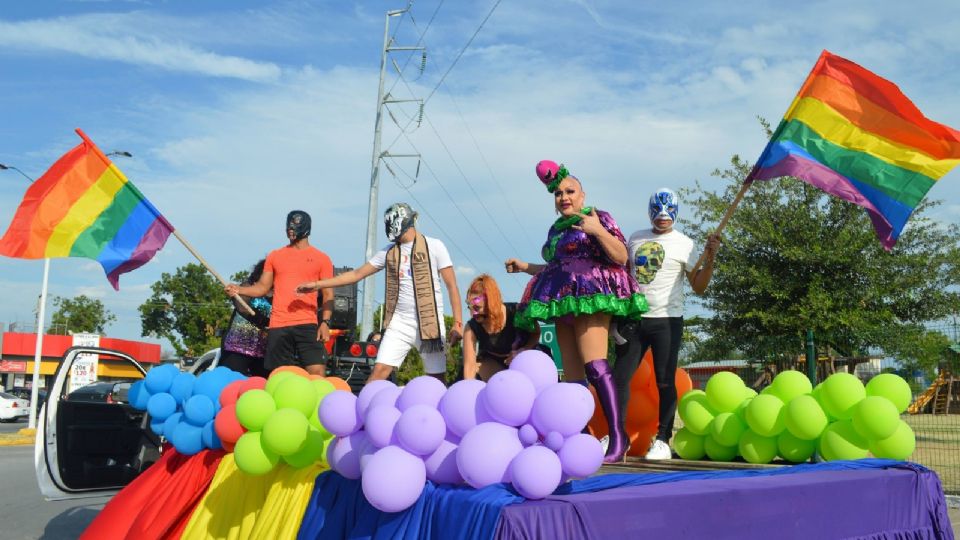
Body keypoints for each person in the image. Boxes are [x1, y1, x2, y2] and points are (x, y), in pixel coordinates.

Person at [505, 160, 647, 463]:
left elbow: (621, 256)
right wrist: (524, 267)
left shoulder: (598, 217)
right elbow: (557, 269)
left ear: (582, 196)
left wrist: (596, 229)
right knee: (572, 379)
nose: (564, 196)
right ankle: (580, 439)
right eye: (558, 193)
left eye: (570, 191)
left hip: (592, 296)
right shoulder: (556, 230)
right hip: (564, 300)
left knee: (595, 366)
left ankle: (618, 438)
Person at [297, 203, 463, 384]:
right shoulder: (389, 252)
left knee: (436, 378)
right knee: (379, 371)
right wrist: (317, 285)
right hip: (399, 322)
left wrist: (458, 323)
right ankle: (362, 410)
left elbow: (452, 286)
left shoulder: (435, 246)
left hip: (429, 322)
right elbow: (356, 274)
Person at [611, 188, 722, 460]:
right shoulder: (635, 238)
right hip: (635, 319)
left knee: (664, 381)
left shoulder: (686, 243)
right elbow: (623, 278)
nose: (662, 217)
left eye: (668, 212)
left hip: (668, 320)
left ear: (675, 212)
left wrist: (711, 258)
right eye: (657, 212)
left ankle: (662, 438)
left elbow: (699, 287)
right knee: (619, 378)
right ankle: (617, 436)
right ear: (650, 211)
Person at [225, 210, 334, 376]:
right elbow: (262, 287)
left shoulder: (322, 258)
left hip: (307, 323)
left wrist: (325, 323)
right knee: (280, 375)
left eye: (294, 225)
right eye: (288, 225)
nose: (289, 229)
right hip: (279, 325)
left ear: (306, 227)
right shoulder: (275, 256)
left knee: (317, 370)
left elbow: (328, 295)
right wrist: (239, 290)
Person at [462, 274, 539, 381]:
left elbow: (536, 333)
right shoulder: (471, 327)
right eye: (469, 307)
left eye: (477, 308)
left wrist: (523, 351)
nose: (473, 313)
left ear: (491, 302)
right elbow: (469, 366)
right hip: (494, 363)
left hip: (524, 361)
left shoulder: (517, 312)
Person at [219, 259, 272, 377]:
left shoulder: (279, 294)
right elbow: (241, 306)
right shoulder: (248, 287)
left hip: (264, 351)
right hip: (238, 346)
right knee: (232, 382)